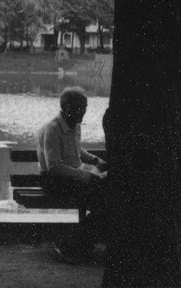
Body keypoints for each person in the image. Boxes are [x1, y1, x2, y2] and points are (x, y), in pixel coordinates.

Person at [37, 87, 108, 263]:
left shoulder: (74, 126)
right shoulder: (52, 129)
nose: (84, 111)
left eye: (85, 107)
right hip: (54, 181)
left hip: (71, 178)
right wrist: (86, 176)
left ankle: (78, 242)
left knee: (107, 198)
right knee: (104, 200)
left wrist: (95, 161)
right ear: (68, 108)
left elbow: (76, 150)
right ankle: (70, 243)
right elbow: (54, 166)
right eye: (81, 107)